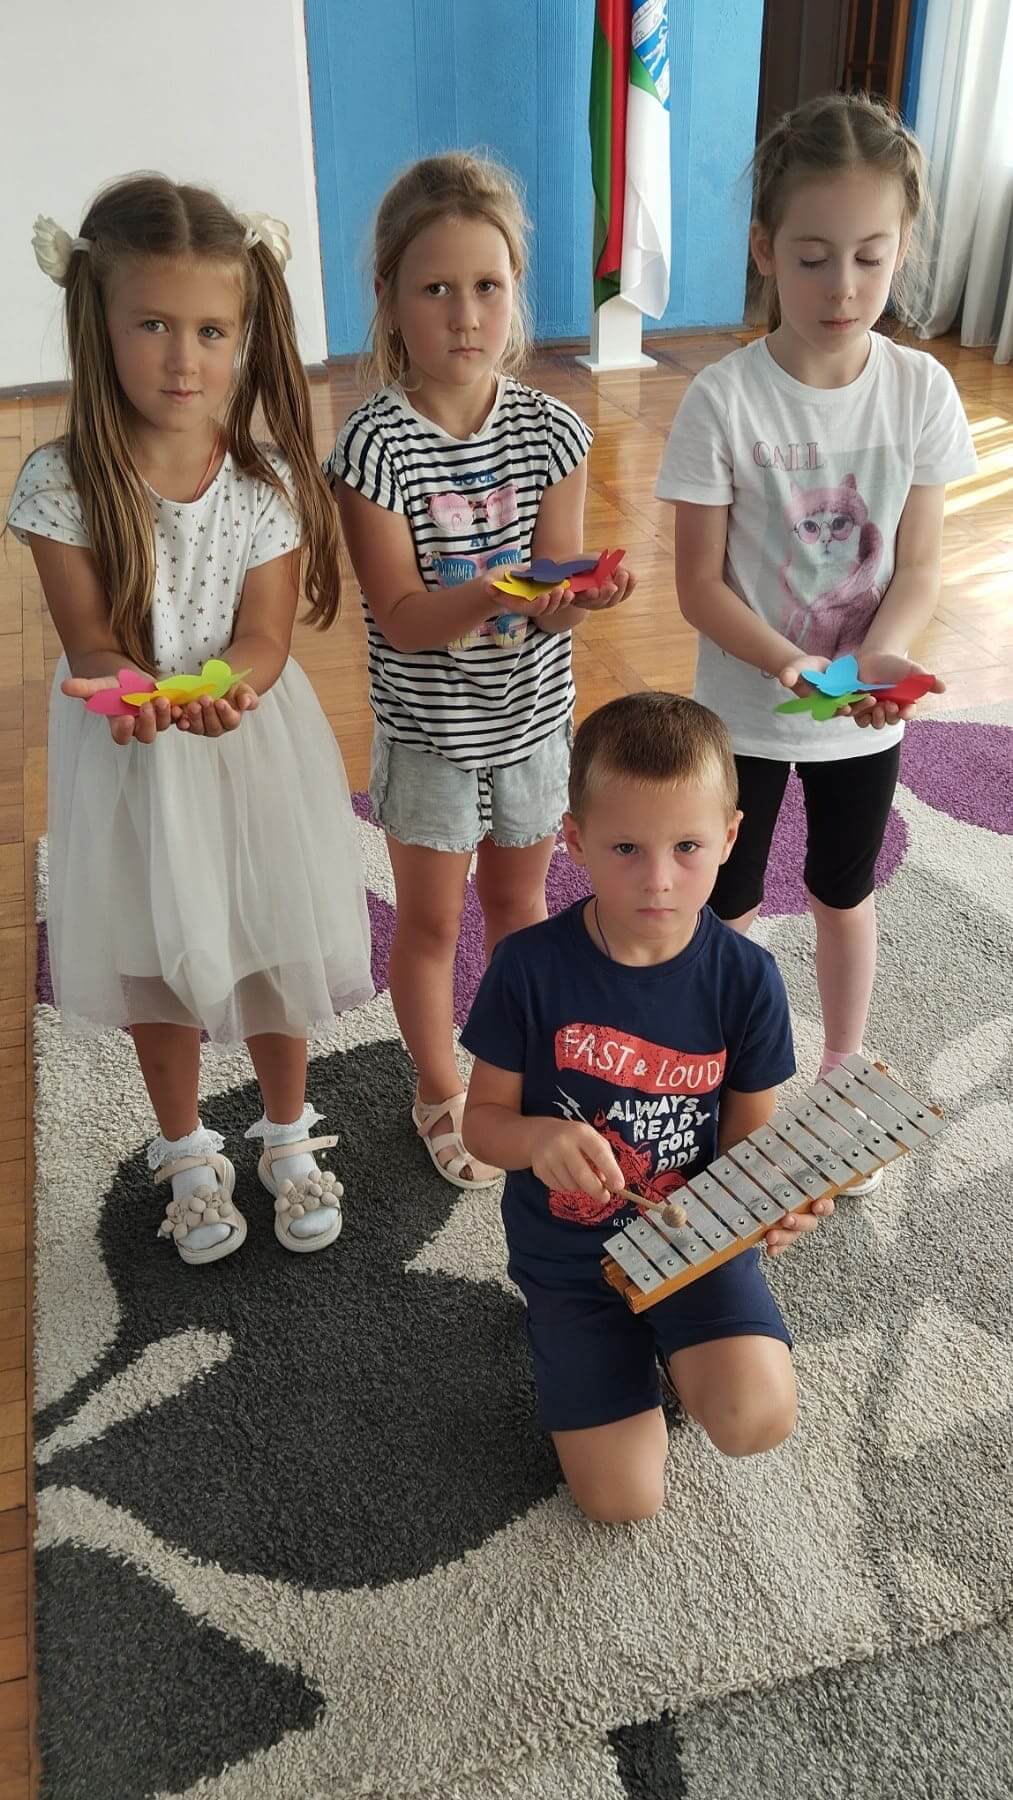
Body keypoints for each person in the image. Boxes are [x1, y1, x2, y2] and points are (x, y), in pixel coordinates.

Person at [8, 176, 372, 1264]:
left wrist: (225, 689)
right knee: (152, 954)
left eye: (211, 330)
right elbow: (89, 644)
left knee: (270, 936)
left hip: (247, 744)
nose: (183, 358)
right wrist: (137, 693)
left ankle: (286, 1131)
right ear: (99, 322)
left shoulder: (264, 485)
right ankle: (184, 1147)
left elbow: (265, 637)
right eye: (153, 325)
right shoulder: (60, 485)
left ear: (243, 334)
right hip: (130, 757)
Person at [656, 92, 976, 1189]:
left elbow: (918, 565)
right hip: (743, 711)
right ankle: (732, 1071)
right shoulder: (722, 400)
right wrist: (792, 666)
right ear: (763, 250)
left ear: (901, 251)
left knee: (844, 889)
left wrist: (875, 660)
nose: (841, 286)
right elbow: (697, 587)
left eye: (869, 258)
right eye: (810, 258)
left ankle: (841, 1068)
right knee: (729, 900)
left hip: (862, 714)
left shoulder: (920, 390)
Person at [328, 151, 635, 1194]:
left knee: (520, 910)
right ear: (388, 296)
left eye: (487, 286)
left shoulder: (552, 430)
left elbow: (554, 599)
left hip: (533, 725)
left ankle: (512, 1079)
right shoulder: (374, 448)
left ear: (516, 291)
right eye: (436, 288)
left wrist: (581, 597)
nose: (465, 315)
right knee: (429, 926)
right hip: (429, 740)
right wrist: (508, 588)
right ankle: (436, 1088)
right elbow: (405, 618)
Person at [461, 693, 830, 1523]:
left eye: (687, 847)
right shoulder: (526, 967)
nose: (658, 879)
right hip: (570, 1262)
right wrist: (537, 1139)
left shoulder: (747, 979)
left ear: (729, 837)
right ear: (573, 838)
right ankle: (601, 1349)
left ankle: (674, 1347)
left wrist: (778, 1201)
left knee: (757, 1420)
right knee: (621, 1502)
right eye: (625, 847)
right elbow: (480, 1125)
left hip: (693, 1243)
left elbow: (749, 1145)